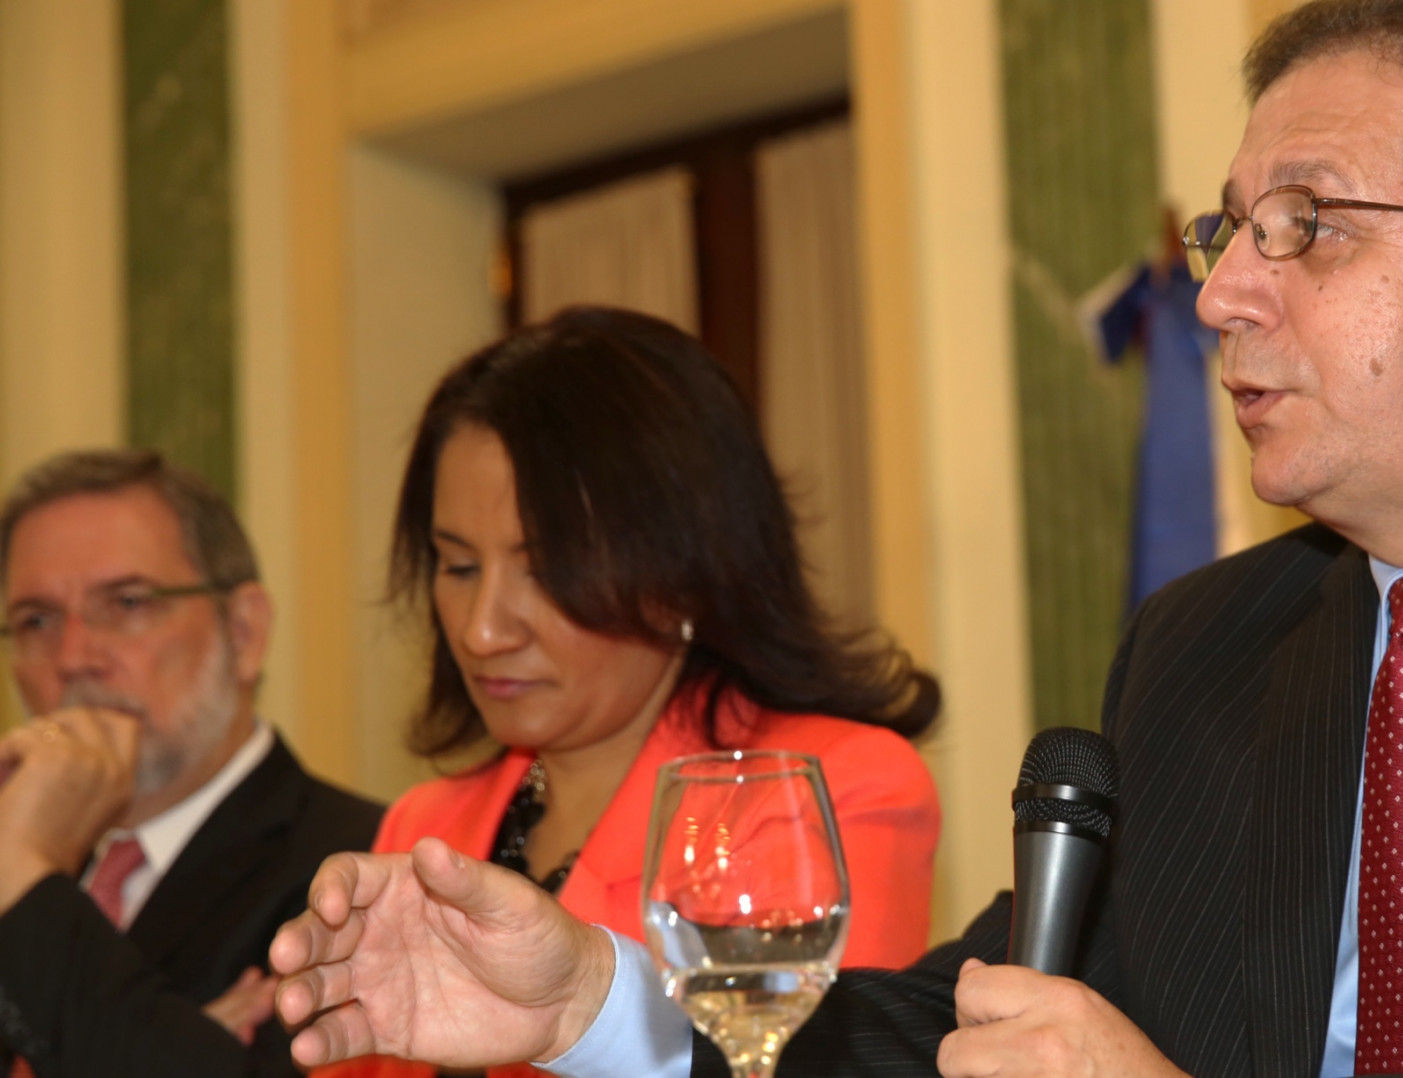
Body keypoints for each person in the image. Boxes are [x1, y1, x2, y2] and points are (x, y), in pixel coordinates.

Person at [271, 1, 1403, 1075]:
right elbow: (978, 1022)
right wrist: (589, 997)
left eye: (1306, 228)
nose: (1221, 294)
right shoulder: (1211, 649)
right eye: (1228, 229)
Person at [313, 307, 943, 1078]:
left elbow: (823, 1065)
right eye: (460, 567)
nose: (482, 631)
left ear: (685, 572)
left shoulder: (823, 790)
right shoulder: (425, 826)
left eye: (546, 570)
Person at [0, 449, 383, 1077]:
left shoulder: (358, 870)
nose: (72, 658)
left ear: (244, 633)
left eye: (127, 602)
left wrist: (22, 878)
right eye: (36, 620)